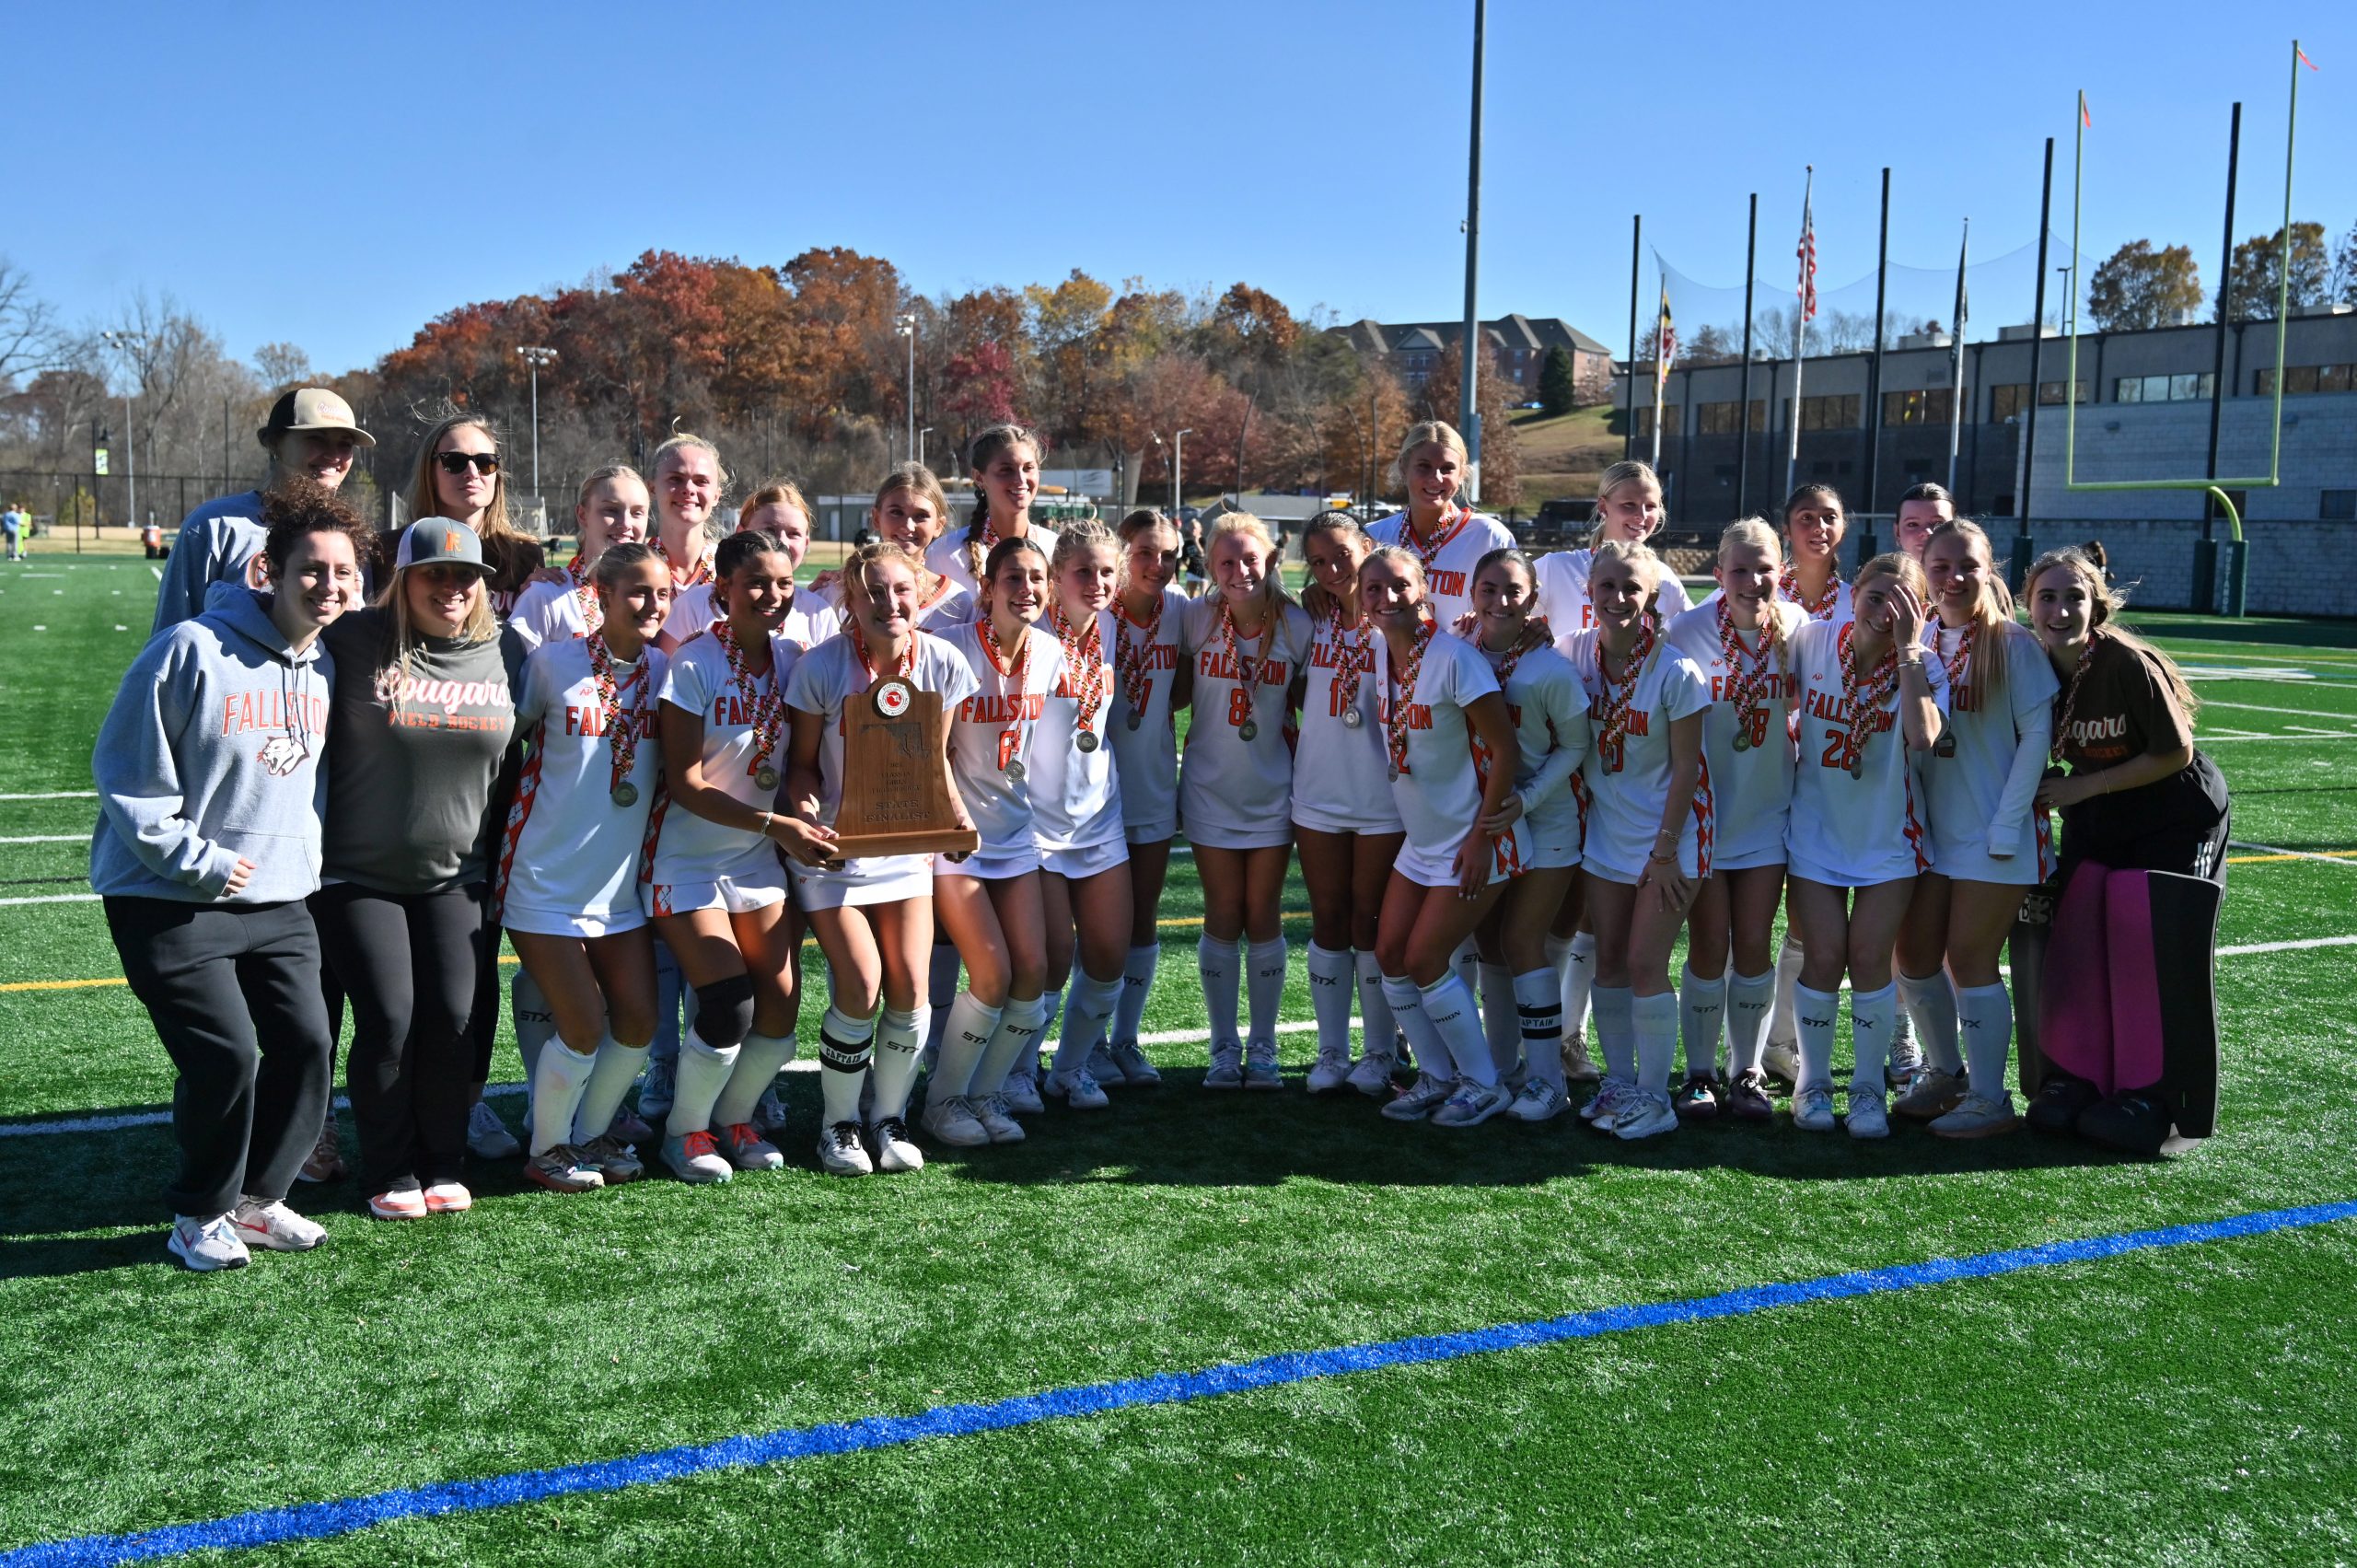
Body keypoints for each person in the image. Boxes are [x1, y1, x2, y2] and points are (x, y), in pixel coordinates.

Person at [92, 482, 369, 1269]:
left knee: (309, 1044)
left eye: (344, 572)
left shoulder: (320, 667)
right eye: (311, 570)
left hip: (280, 896)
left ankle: (258, 1199)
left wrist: (301, 867)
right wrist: (198, 859)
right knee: (226, 1054)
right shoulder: (191, 648)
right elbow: (124, 777)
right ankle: (199, 1212)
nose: (329, 586)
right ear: (267, 573)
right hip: (168, 896)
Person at [311, 518, 517, 1219]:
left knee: (455, 1019)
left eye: (466, 575)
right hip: (353, 874)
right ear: (404, 578)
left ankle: (444, 1161)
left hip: (458, 875)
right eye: (435, 573)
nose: (452, 587)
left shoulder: (507, 650)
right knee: (391, 1018)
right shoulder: (353, 641)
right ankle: (391, 1169)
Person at [2019, 546, 2231, 1155]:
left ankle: (2159, 1095)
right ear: (2028, 604)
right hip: (2101, 811)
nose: (2060, 609)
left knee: (2150, 941)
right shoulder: (2032, 662)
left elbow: (2175, 753)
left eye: (2074, 597)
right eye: (2047, 597)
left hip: (2174, 811)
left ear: (2097, 604)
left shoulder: (2124, 662)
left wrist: (2082, 785)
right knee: (2079, 929)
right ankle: (2081, 1076)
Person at [784, 540, 979, 1174]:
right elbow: (804, 768)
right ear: (851, 596)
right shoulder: (822, 666)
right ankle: (837, 1124)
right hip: (835, 857)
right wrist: (812, 821)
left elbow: (938, 763)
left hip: (904, 852)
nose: (888, 603)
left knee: (912, 987)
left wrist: (956, 817)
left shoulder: (944, 662)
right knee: (861, 983)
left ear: (920, 592)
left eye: (900, 589)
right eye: (873, 591)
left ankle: (888, 1117)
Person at [646, 531, 835, 1180]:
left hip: (758, 858)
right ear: (720, 589)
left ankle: (734, 1118)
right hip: (688, 860)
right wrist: (777, 822)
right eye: (756, 581)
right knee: (729, 1003)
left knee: (781, 1005)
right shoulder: (694, 663)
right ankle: (683, 1132)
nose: (773, 595)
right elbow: (684, 782)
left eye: (785, 582)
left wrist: (801, 817)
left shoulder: (795, 660)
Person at [497, 542, 674, 1191]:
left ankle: (592, 1133)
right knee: (581, 1023)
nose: (652, 605)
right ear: (600, 596)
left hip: (620, 886)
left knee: (638, 1021)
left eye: (661, 593)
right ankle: (547, 1149)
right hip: (542, 879)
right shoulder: (552, 665)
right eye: (636, 592)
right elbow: (501, 752)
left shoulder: (667, 671)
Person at [1883, 521, 2060, 1139]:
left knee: (1971, 960)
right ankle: (1946, 1074)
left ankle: (1991, 1098)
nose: (1953, 578)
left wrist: (2006, 831)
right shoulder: (1921, 638)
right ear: (1923, 570)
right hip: (1933, 833)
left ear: (1991, 569)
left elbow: (2037, 740)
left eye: (1967, 565)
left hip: (1995, 834)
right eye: (1940, 566)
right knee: (1913, 954)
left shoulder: (2014, 644)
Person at [403, 413, 545, 1163]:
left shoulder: (525, 559)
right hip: (407, 766)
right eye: (454, 459)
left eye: (485, 460)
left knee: (474, 952)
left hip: (498, 770)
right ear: (429, 468)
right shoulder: (387, 550)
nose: (470, 473)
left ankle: (466, 1095)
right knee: (394, 971)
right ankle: (379, 1106)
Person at [1782, 553, 1947, 1138]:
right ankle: (1814, 1084)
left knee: (1873, 959)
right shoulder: (1810, 639)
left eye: (1903, 601)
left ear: (1922, 610)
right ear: (1853, 596)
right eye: (1876, 597)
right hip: (1815, 831)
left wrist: (1907, 651)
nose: (1886, 610)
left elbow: (1923, 736)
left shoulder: (1926, 665)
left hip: (1888, 836)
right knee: (1824, 957)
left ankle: (1869, 1088)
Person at [1360, 546, 1527, 1127]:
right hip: (1424, 839)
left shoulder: (1454, 658)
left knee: (1426, 956)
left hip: (1474, 840)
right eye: (1374, 588)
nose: (1387, 598)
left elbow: (1505, 749)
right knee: (1389, 956)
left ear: (1424, 590)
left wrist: (1483, 837)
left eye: (1400, 586)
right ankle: (1436, 1074)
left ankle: (1483, 1084)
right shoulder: (1380, 654)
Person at [1557, 542, 1713, 1141]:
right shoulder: (1574, 653)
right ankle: (1620, 1080)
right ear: (1590, 591)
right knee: (1612, 959)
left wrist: (1666, 850)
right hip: (1606, 833)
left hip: (1672, 837)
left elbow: (1687, 770)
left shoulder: (1676, 670)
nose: (1619, 597)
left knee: (1647, 962)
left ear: (1652, 597)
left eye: (1633, 588)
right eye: (1609, 585)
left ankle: (1654, 1095)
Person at [922, 536, 1065, 1145]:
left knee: (1032, 972)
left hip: (1015, 832)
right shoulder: (950, 649)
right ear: (987, 587)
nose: (1026, 588)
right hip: (957, 839)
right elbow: (931, 751)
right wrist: (956, 820)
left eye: (1037, 578)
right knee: (991, 974)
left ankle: (984, 1093)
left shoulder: (1053, 653)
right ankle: (942, 1101)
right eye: (1013, 578)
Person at [1665, 519, 1805, 1121]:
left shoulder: (1798, 629)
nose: (1752, 581)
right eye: (1739, 569)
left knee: (1753, 944)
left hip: (1768, 812)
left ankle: (1745, 1068)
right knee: (1707, 943)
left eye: (1764, 568)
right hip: (1705, 815)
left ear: (1782, 570)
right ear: (1718, 572)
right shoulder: (1688, 629)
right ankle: (1699, 1073)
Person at [1178, 514, 1312, 1089]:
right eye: (1226, 561)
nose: (1240, 571)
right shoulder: (1195, 618)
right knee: (1222, 913)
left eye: (1250, 559)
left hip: (1272, 792)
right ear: (1209, 565)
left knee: (1263, 915)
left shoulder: (1298, 626)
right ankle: (1222, 1046)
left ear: (1271, 561)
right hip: (1210, 789)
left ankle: (1263, 1045)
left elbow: (1313, 704)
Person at [1465, 548, 1593, 1121]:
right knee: (1489, 945)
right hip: (1487, 823)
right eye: (1489, 588)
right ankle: (1501, 1071)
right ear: (1472, 592)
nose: (1500, 600)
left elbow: (1575, 745)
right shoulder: (1458, 654)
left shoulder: (1550, 669)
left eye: (1513, 590)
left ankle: (1547, 1081)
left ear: (1533, 598)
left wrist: (1529, 799)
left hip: (1547, 823)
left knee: (1523, 943)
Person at [1289, 514, 1405, 1096]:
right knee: (1329, 918)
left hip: (1384, 797)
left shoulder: (1405, 620)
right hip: (1318, 793)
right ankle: (1331, 1052)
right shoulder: (1311, 616)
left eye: (1342, 555)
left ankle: (1380, 1053)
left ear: (1367, 547)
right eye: (1318, 562)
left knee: (1371, 923)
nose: (1333, 570)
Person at [1031, 521, 1136, 1108]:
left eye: (1105, 572)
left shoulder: (1112, 630)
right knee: (1052, 959)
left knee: (1106, 957)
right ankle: (1020, 1069)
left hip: (1098, 816)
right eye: (1082, 572)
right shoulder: (1028, 632)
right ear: (1055, 578)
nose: (1095, 583)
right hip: (1035, 821)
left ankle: (1069, 1069)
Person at [1090, 508, 1190, 1087]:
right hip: (1089, 792)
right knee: (1098, 923)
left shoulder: (1180, 609)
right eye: (1145, 553)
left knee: (1143, 916)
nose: (1158, 565)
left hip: (1151, 783)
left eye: (1169, 555)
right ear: (1120, 553)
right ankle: (1091, 1041)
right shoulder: (1090, 609)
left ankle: (1125, 1039)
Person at [152, 388, 374, 632]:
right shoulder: (216, 525)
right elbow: (170, 631)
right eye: (316, 438)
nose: (334, 455)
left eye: (345, 445)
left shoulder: (350, 535)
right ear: (273, 443)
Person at [1365, 420, 1516, 632]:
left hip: (1464, 662)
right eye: (1424, 467)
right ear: (1403, 466)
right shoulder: (1374, 535)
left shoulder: (1488, 536)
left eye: (1447, 469)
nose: (1435, 478)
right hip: (1390, 663)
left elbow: (1519, 605)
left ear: (1461, 474)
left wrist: (1492, 614)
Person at [668, 479, 839, 651]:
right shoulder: (693, 606)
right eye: (768, 531)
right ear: (741, 532)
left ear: (806, 543)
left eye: (794, 534)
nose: (781, 542)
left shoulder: (818, 612)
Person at [1531, 459, 1694, 634]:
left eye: (1650, 506)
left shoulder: (1664, 578)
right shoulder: (1556, 568)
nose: (1641, 515)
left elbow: (1693, 636)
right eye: (1629, 505)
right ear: (1603, 506)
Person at [507, 466, 653, 654]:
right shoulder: (546, 596)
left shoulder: (658, 599)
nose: (625, 523)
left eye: (637, 513)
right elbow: (511, 673)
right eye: (611, 510)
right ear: (583, 515)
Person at [818, 465, 975, 629]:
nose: (908, 526)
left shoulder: (956, 600)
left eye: (921, 516)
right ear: (877, 518)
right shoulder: (838, 589)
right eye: (896, 512)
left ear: (938, 525)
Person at [927, 424, 1059, 601]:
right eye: (1006, 470)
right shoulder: (946, 554)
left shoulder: (1056, 550)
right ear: (979, 477)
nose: (1020, 479)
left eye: (1028, 468)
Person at [649, 434, 728, 650]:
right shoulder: (630, 566)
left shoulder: (731, 568)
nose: (688, 489)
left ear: (716, 495)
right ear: (652, 487)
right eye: (675, 478)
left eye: (701, 481)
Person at [1892, 481, 1957, 563]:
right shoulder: (1877, 576)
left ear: (1956, 529)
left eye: (1939, 523)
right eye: (1912, 524)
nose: (1927, 532)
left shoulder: (1973, 575)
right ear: (1897, 533)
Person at [1178, 517, 1209, 597]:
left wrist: (1196, 541)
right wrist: (1188, 566)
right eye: (1191, 528)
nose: (1193, 530)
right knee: (1191, 595)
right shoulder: (1187, 543)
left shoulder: (1203, 540)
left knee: (1204, 594)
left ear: (1199, 529)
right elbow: (1183, 558)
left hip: (1203, 570)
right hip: (1192, 570)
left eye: (1194, 528)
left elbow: (1202, 554)